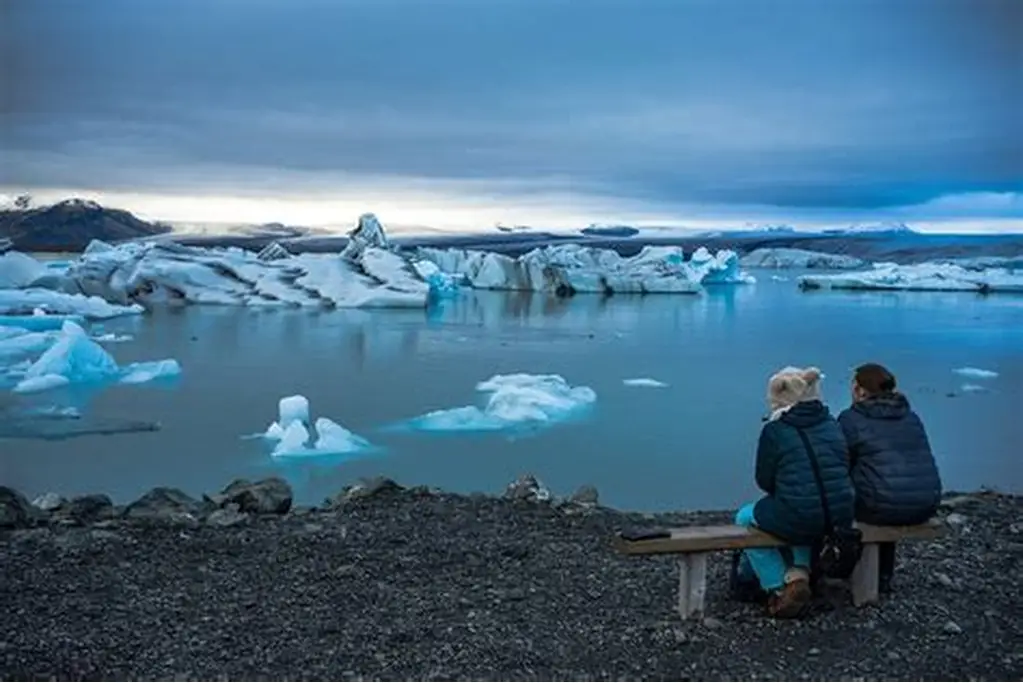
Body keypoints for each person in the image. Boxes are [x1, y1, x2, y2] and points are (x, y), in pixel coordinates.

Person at [731, 366, 855, 618]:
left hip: (802, 515)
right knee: (802, 510)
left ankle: (778, 586)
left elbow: (765, 481)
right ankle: (800, 573)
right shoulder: (831, 423)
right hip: (840, 514)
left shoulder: (775, 430)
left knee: (745, 519)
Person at [838, 363, 942, 593]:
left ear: (860, 390)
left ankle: (839, 568)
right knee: (884, 487)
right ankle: (884, 575)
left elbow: (839, 466)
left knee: (868, 496)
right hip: (926, 504)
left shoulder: (850, 420)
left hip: (880, 508)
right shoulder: (911, 417)